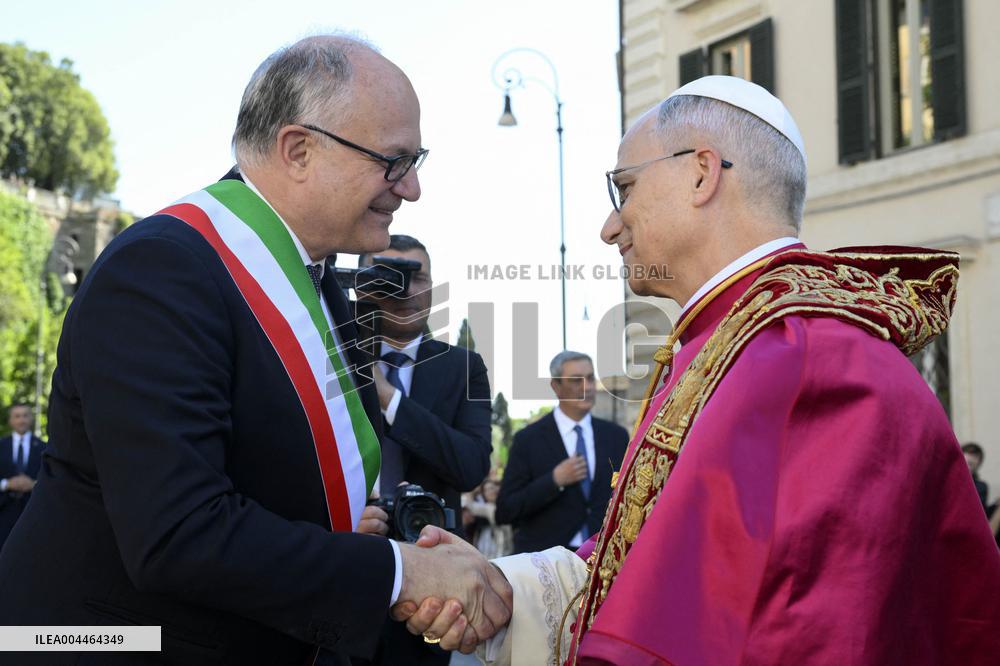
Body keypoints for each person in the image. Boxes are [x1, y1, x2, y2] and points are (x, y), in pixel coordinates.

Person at [394, 75, 1000, 664]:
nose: (609, 227)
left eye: (625, 188)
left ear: (702, 174)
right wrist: (503, 587)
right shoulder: (739, 342)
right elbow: (641, 558)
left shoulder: (804, 358)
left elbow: (802, 637)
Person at [0, 35, 509, 665]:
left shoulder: (321, 287)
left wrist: (391, 545)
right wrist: (398, 573)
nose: (411, 189)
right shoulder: (161, 269)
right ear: (298, 150)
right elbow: (180, 534)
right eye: (394, 161)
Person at [356, 235, 493, 666]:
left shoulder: (464, 367)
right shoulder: (329, 360)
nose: (405, 290)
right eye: (388, 276)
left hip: (431, 589)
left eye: (417, 278)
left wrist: (388, 399)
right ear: (360, 286)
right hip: (344, 569)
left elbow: (471, 465)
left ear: (433, 288)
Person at [495, 352, 627, 553]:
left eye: (590, 378)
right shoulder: (528, 439)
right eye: (576, 380)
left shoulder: (616, 436)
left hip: (604, 556)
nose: (587, 387)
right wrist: (554, 481)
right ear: (555, 386)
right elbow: (505, 510)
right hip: (545, 559)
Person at [0, 404, 45, 549]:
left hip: (32, 513)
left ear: (31, 419)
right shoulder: (1, 445)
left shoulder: (44, 448)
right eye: (17, 416)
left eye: (25, 416)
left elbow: (51, 479)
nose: (21, 420)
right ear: (10, 420)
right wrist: (6, 484)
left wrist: (33, 485)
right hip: (3, 512)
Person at [962, 442, 990, 510]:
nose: (971, 458)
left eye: (976, 456)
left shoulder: (981, 487)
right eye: (969, 453)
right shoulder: (948, 481)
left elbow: (983, 511)